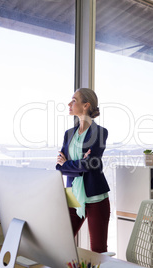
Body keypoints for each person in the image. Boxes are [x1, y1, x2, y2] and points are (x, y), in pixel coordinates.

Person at [56, 88, 110, 253]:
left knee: (98, 250)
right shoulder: (69, 134)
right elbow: (59, 166)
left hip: (95, 197)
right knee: (61, 241)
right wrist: (78, 163)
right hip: (73, 195)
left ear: (86, 105)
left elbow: (90, 164)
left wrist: (69, 164)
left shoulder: (100, 132)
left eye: (74, 100)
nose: (69, 104)